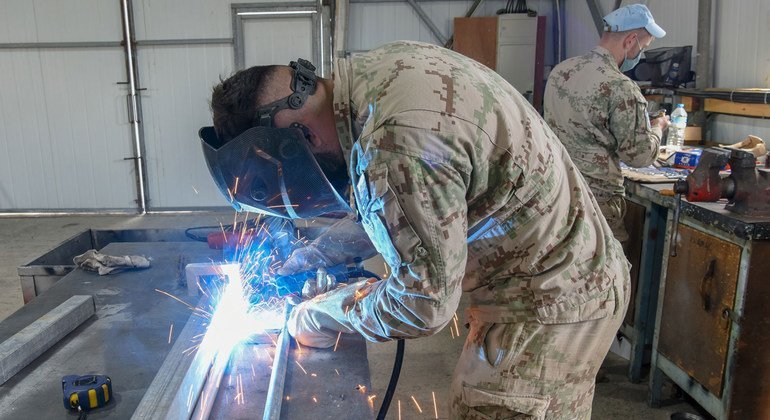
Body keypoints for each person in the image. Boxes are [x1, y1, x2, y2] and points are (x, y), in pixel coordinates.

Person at [202, 41, 629, 419]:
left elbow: (422, 305)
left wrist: (321, 313)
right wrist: (311, 258)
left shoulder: (392, 144)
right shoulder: (373, 80)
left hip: (548, 302)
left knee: (490, 405)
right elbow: (396, 207)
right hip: (565, 269)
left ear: (297, 136)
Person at [544, 4, 670, 243]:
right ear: (631, 40)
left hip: (556, 191)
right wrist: (657, 128)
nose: (640, 55)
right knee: (606, 273)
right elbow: (639, 156)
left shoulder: (562, 71)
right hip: (596, 202)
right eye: (642, 48)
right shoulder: (621, 87)